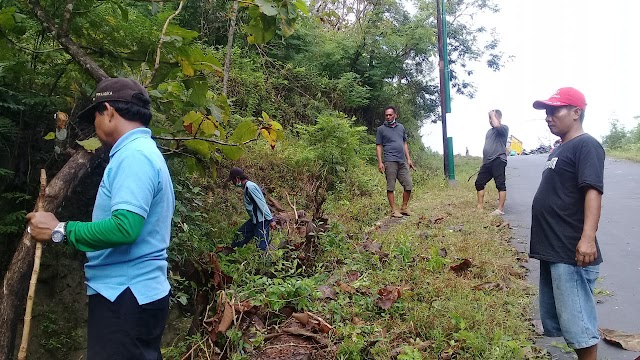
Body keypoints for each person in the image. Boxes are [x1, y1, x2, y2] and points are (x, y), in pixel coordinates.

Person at [26, 78, 175, 360]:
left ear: (108, 111)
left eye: (95, 114)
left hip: (125, 295)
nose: (94, 123)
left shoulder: (134, 157)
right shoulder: (142, 153)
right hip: (132, 294)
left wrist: (59, 229)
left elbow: (125, 228)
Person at [530, 87, 604, 360]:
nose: (548, 117)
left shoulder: (587, 145)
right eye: (546, 112)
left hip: (570, 249)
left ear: (576, 112)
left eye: (554, 111)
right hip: (553, 248)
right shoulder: (560, 148)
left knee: (579, 325)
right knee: (566, 321)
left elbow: (592, 191)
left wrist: (587, 238)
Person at [376, 106, 415, 218]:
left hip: (402, 161)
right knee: (391, 187)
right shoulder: (381, 129)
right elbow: (379, 146)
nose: (388, 117)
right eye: (386, 115)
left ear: (395, 115)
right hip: (389, 161)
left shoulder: (401, 127)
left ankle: (404, 207)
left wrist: (409, 159)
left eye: (390, 115)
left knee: (408, 185)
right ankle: (394, 210)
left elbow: (404, 144)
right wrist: (380, 162)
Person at [228, 167, 276, 251]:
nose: (233, 183)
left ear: (237, 178)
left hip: (261, 221)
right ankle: (232, 254)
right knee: (239, 236)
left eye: (233, 180)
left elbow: (261, 203)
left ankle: (265, 262)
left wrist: (270, 220)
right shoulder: (248, 186)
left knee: (261, 247)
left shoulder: (250, 187)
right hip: (255, 220)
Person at [475, 109, 509, 215]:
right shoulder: (489, 132)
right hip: (487, 162)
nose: (490, 120)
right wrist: (483, 162)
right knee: (479, 183)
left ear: (498, 118)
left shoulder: (503, 128)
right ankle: (480, 206)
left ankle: (500, 209)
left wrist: (492, 114)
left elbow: (496, 125)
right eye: (489, 118)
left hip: (498, 159)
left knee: (500, 184)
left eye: (492, 118)